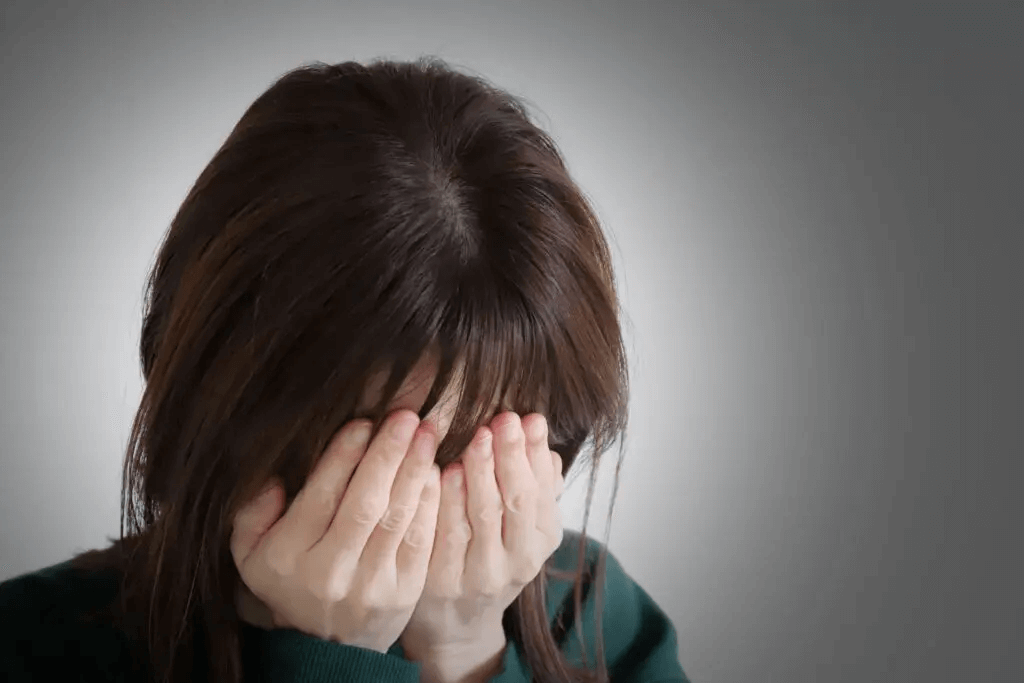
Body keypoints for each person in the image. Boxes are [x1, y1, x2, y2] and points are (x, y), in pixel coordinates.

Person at [0, 57, 690, 683]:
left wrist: (464, 652)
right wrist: (331, 659)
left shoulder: (597, 617)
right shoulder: (32, 645)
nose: (408, 520)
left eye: (470, 458)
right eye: (366, 458)